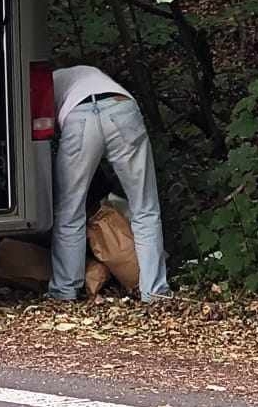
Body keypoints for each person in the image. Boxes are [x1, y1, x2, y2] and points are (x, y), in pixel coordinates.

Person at [47, 64, 171, 302]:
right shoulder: (88, 74)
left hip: (78, 116)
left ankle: (64, 291)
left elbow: (41, 131)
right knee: (145, 208)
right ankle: (155, 292)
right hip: (121, 108)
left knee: (69, 211)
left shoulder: (43, 85)